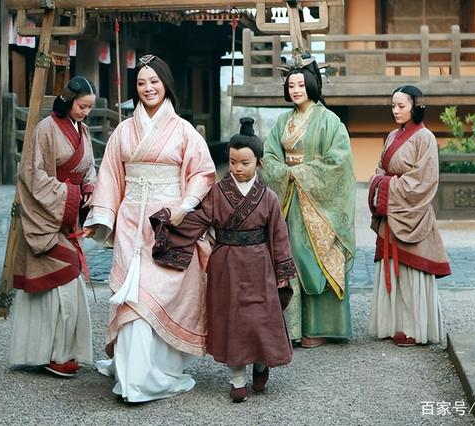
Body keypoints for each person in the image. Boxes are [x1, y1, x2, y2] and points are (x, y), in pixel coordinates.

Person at [82, 54, 216, 402]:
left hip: (168, 221)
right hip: (130, 222)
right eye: (141, 83)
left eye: (153, 81)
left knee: (164, 294)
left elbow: (202, 173)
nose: (148, 88)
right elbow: (111, 174)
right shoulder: (125, 131)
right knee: (132, 294)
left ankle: (161, 370)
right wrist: (102, 217)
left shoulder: (184, 131)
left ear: (165, 84)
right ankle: (132, 377)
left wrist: (184, 206)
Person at [150, 117, 297, 403]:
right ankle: (237, 378)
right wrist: (171, 222)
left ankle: (261, 362)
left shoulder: (268, 198)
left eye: (244, 163)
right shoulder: (217, 192)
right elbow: (199, 221)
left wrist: (282, 270)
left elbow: (279, 236)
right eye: (232, 162)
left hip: (260, 265)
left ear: (259, 163)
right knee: (234, 321)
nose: (238, 169)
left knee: (259, 319)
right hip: (226, 264)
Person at [261, 49, 356, 348]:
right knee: (289, 258)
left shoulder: (330, 121)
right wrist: (283, 172)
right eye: (291, 86)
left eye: (301, 85)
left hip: (319, 205)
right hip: (289, 202)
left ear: (312, 85)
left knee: (315, 258)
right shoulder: (281, 123)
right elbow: (269, 156)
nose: (296, 90)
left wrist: (300, 172)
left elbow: (338, 162)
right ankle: (292, 328)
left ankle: (319, 327)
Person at [8, 76, 97, 377]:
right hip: (46, 219)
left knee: (69, 286)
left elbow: (89, 167)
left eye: (89, 108)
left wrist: (89, 187)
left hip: (66, 215)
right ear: (69, 100)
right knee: (68, 277)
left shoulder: (81, 130)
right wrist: (72, 193)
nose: (86, 113)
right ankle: (52, 353)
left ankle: (65, 352)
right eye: (82, 106)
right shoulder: (45, 129)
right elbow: (33, 176)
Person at [368, 84, 451, 346]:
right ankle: (393, 325)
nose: (396, 110)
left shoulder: (426, 137)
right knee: (393, 270)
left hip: (413, 213)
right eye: (393, 106)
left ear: (415, 106)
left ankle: (415, 328)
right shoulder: (392, 136)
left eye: (401, 106)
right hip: (392, 213)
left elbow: (424, 180)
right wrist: (380, 182)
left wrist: (386, 187)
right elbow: (381, 168)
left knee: (412, 270)